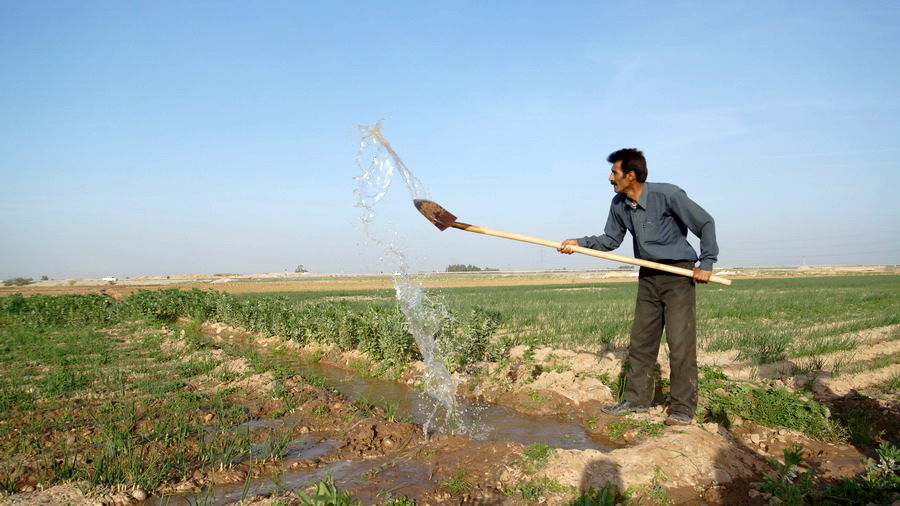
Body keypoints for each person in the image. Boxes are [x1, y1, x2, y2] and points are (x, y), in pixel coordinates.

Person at [558, 148, 718, 425]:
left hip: (678, 274)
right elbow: (610, 240)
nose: (610, 178)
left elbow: (705, 223)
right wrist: (580, 243)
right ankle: (636, 401)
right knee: (641, 342)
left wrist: (706, 263)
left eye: (614, 173)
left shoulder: (668, 195)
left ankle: (682, 408)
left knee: (680, 344)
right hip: (648, 275)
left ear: (631, 175)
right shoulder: (619, 204)